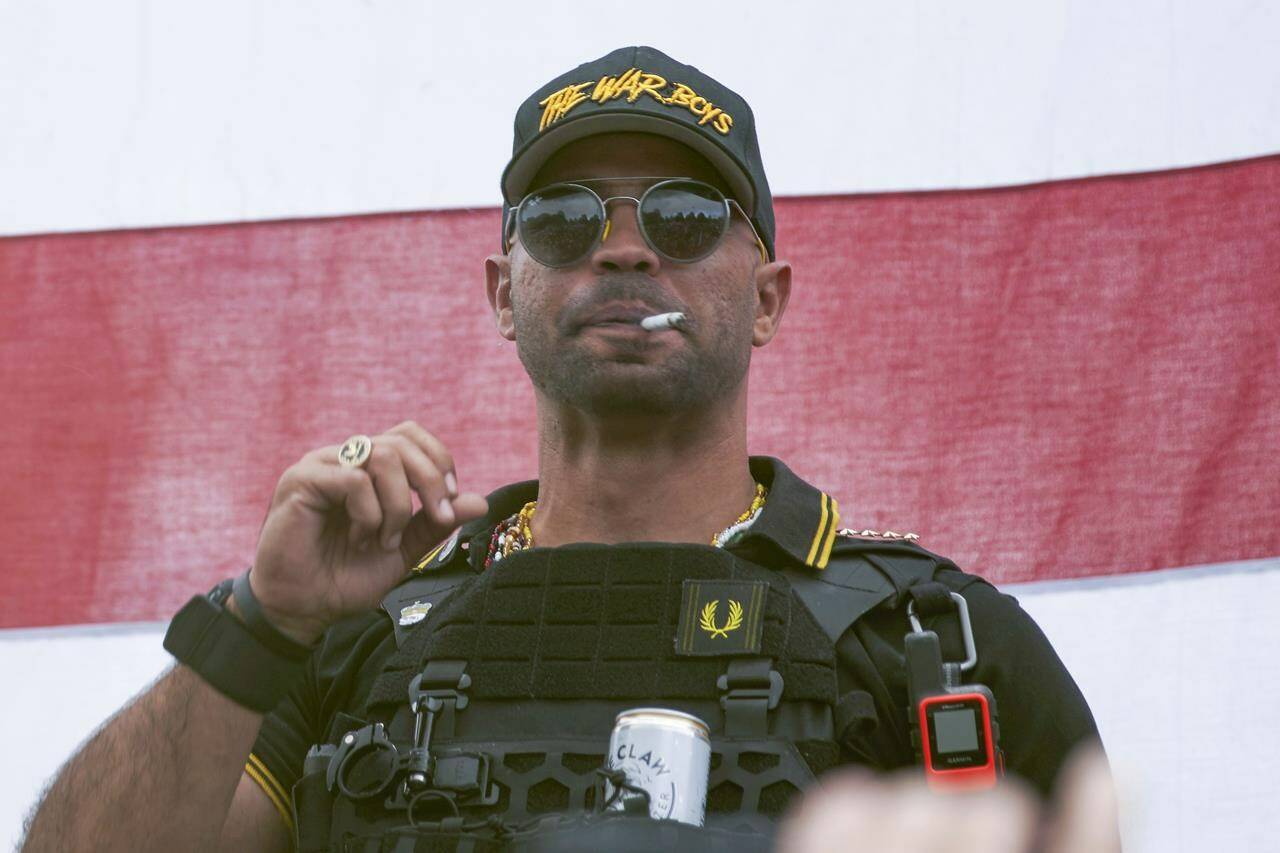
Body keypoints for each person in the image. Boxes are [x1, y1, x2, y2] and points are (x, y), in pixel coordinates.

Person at [22, 46, 1102, 853]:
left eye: (683, 216)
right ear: (504, 291)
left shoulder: (936, 641)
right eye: (562, 219)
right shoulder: (349, 639)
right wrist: (264, 622)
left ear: (767, 298)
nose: (623, 247)